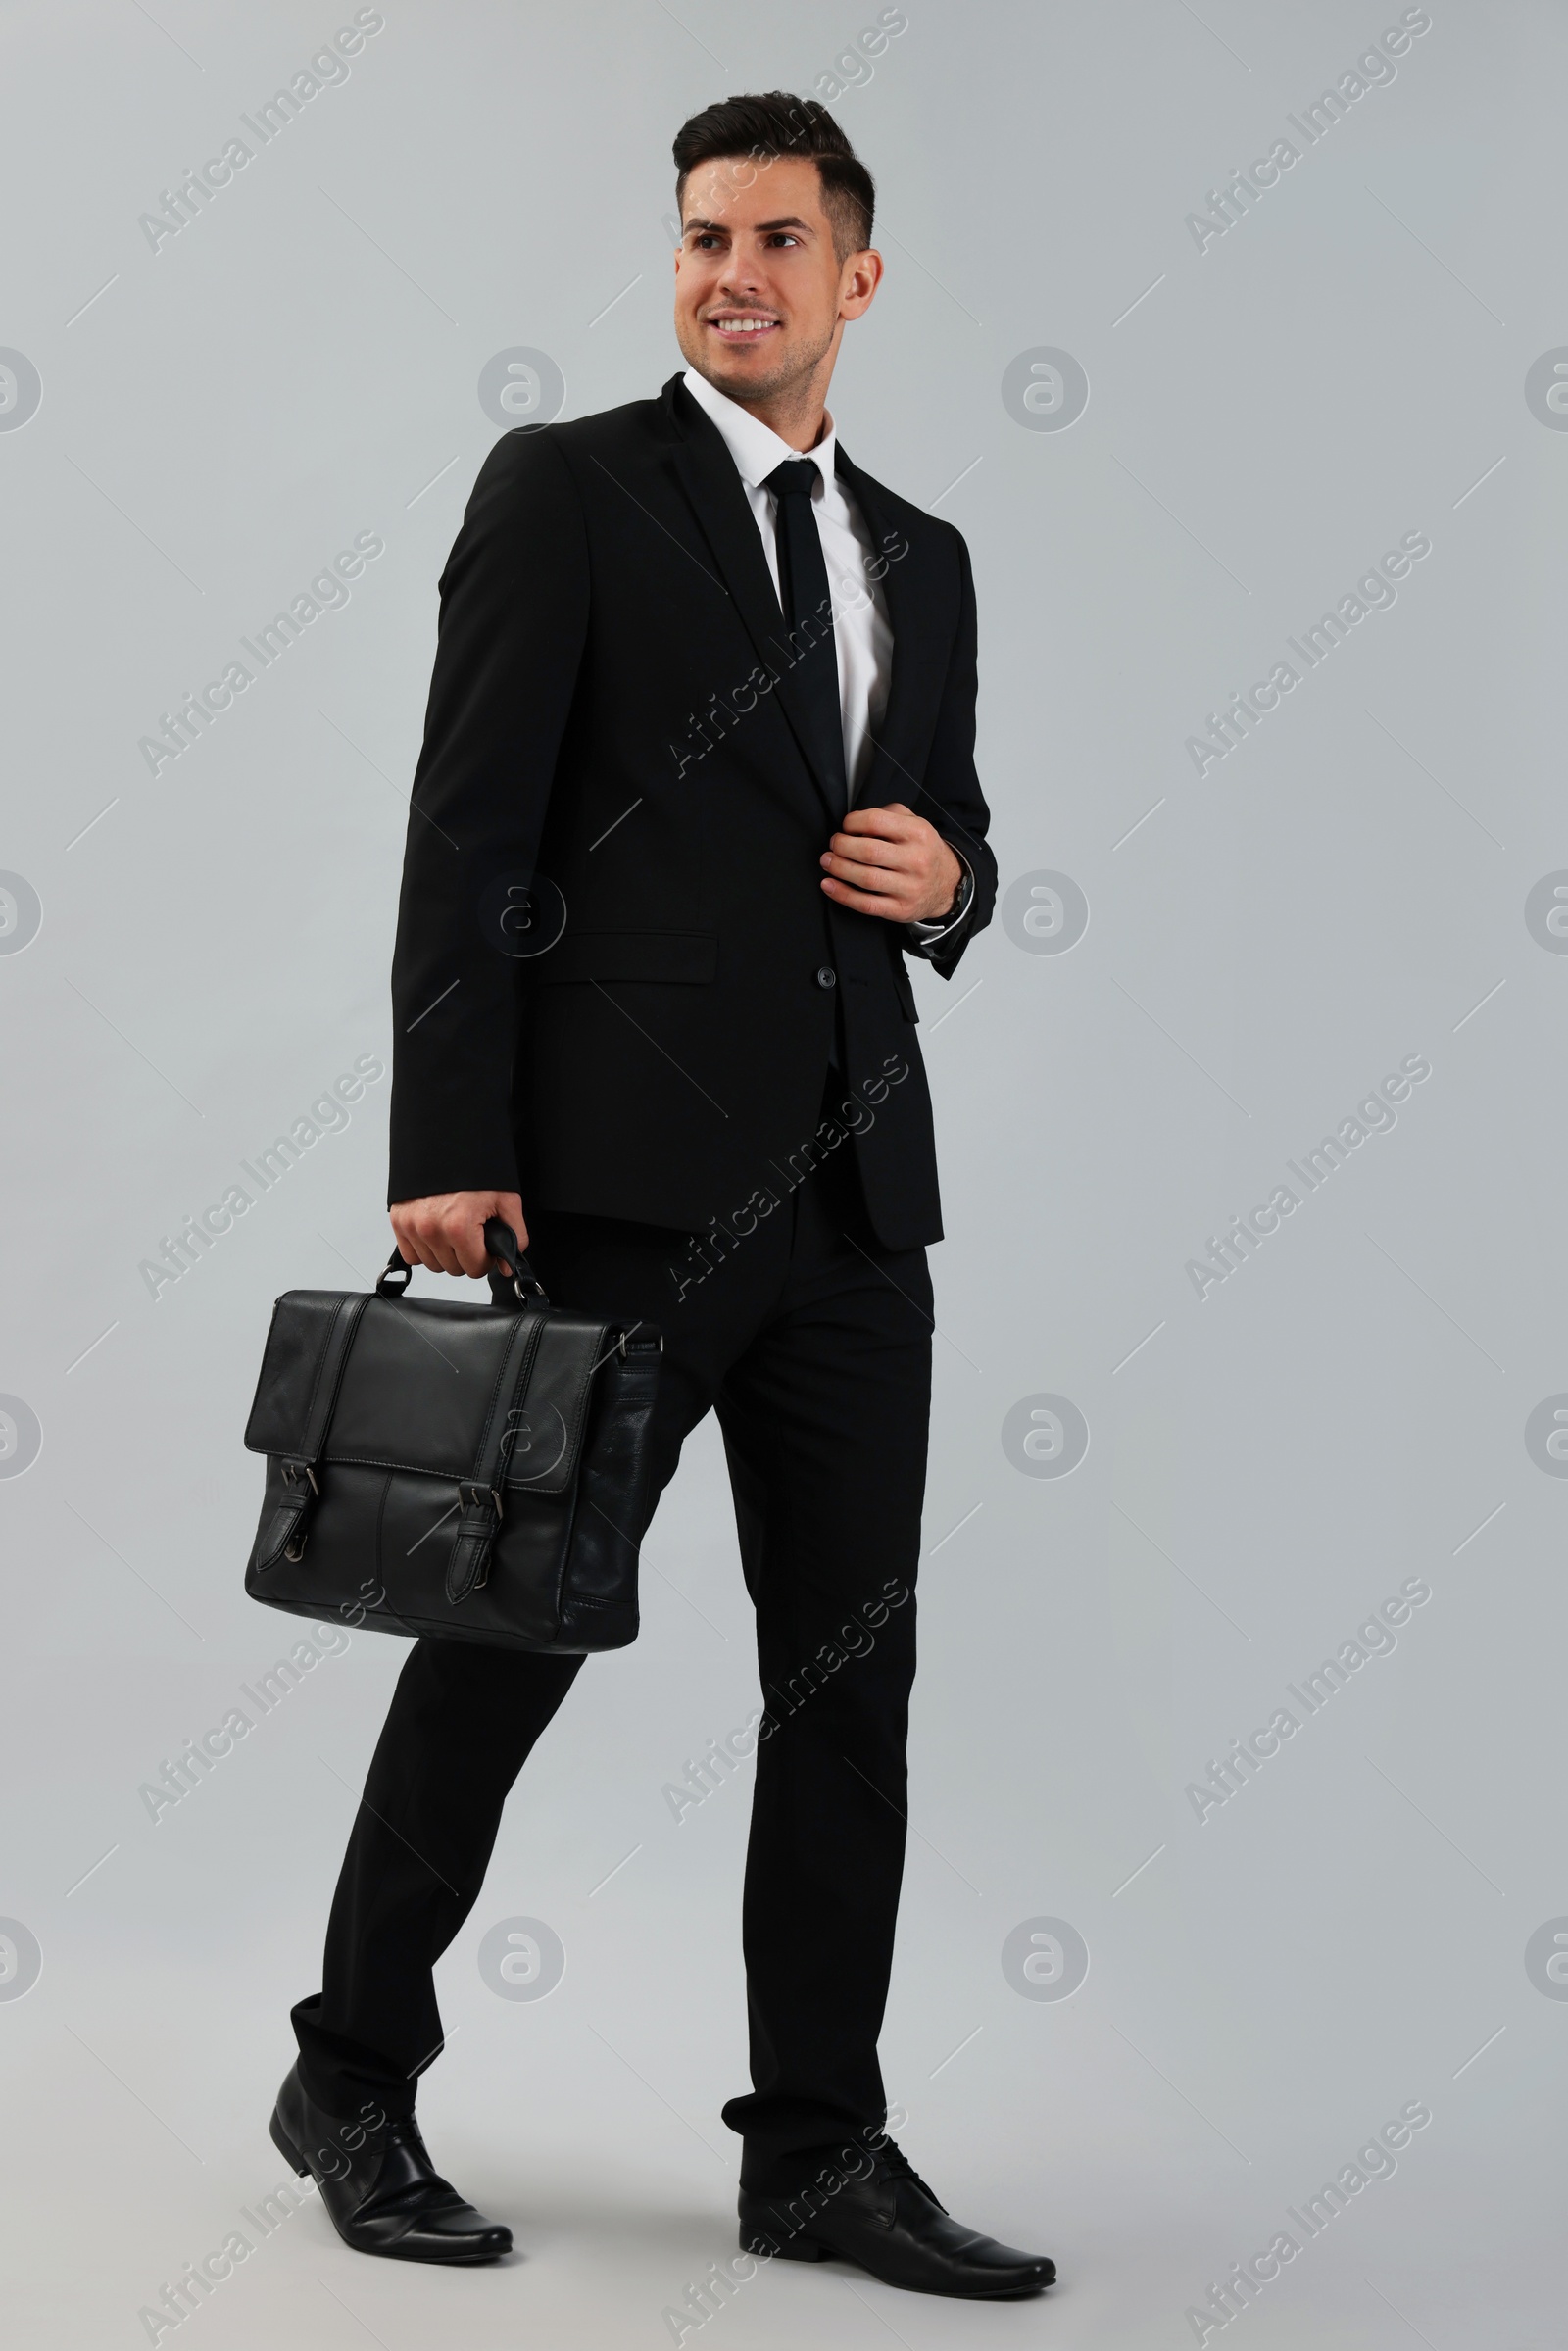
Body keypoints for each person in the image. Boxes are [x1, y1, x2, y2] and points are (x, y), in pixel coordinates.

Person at [270, 89, 1055, 2301]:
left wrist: (957, 881)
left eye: (776, 239)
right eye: (702, 235)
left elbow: (935, 830)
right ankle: (349, 2069)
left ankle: (813, 2149)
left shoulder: (920, 556)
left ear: (856, 275)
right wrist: (451, 1142)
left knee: (846, 1688)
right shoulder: (568, 491)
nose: (731, 272)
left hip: (850, 1210)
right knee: (500, 1650)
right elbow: (469, 832)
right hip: (611, 1202)